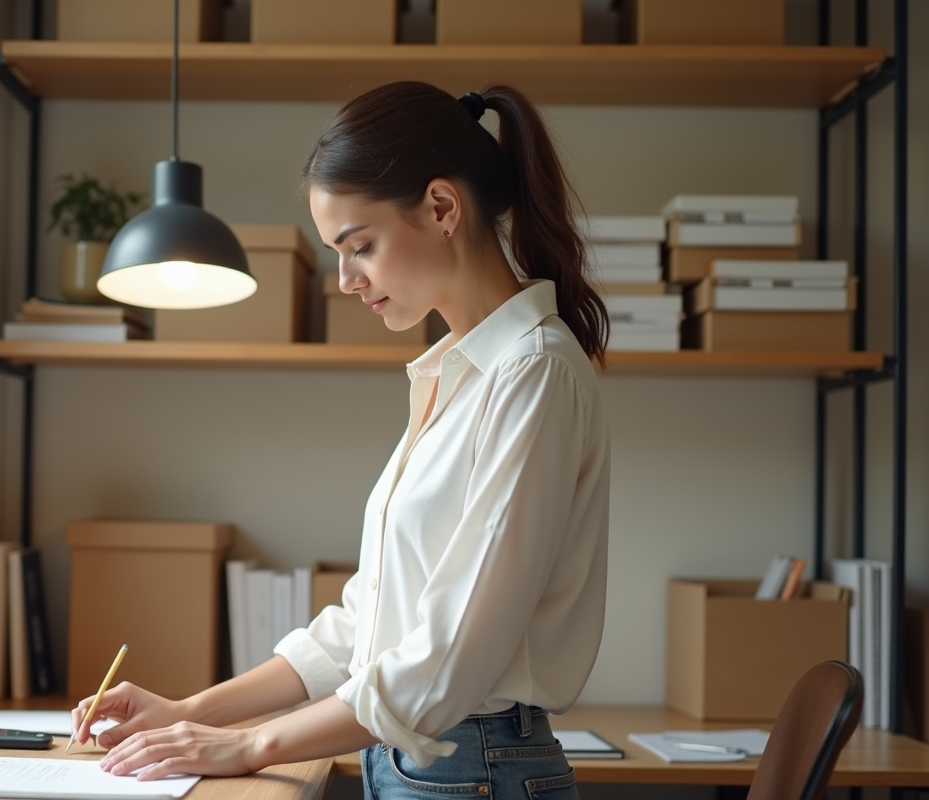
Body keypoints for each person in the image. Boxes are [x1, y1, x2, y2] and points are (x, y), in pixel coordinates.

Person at [70, 81, 611, 800]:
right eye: (336, 252)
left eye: (360, 247)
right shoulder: (457, 376)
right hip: (417, 763)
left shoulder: (532, 374)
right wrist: (191, 711)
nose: (347, 279)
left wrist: (247, 745)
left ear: (443, 208)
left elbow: (448, 661)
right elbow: (368, 620)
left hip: (471, 767)